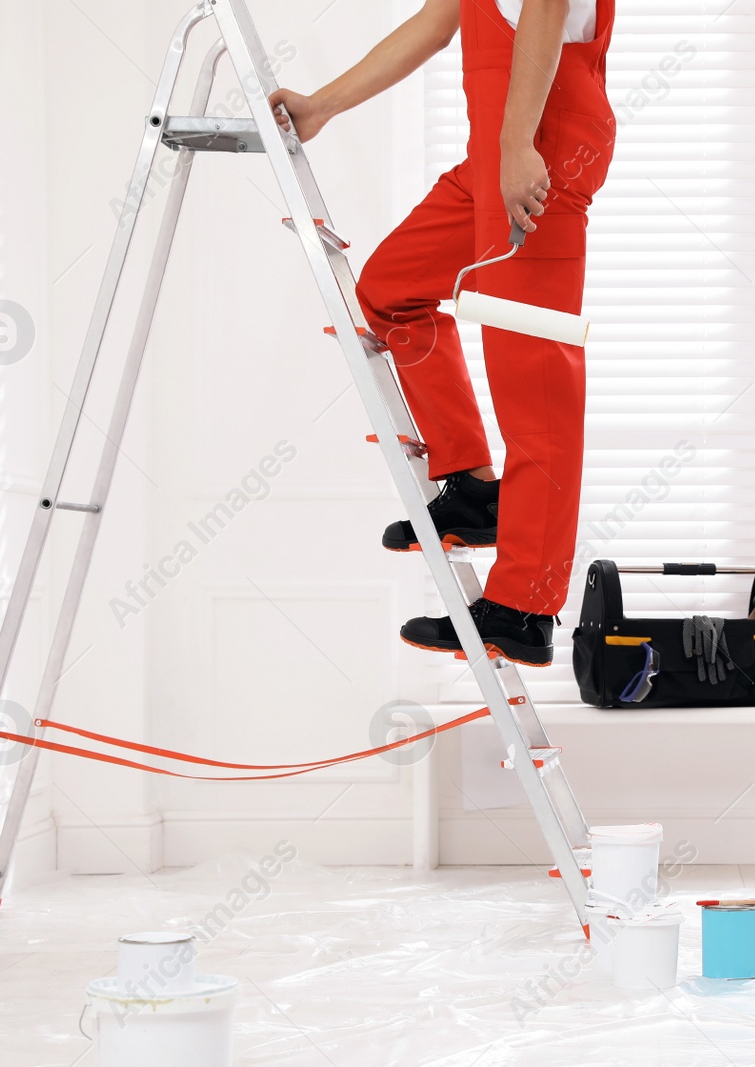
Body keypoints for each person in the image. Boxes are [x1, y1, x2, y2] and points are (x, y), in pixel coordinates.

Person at [271, 0, 615, 668]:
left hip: (538, 149)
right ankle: (474, 488)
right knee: (391, 289)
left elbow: (546, 6)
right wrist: (322, 106)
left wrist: (517, 146)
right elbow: (437, 23)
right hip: (499, 150)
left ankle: (524, 607)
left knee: (533, 382)